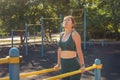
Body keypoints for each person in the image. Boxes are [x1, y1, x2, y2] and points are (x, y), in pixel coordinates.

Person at [54, 15, 86, 80]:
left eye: (68, 20)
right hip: (64, 64)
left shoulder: (75, 34)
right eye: (64, 20)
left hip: (73, 64)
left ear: (72, 24)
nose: (66, 21)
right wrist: (58, 64)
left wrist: (83, 65)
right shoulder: (61, 34)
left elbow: (79, 50)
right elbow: (59, 50)